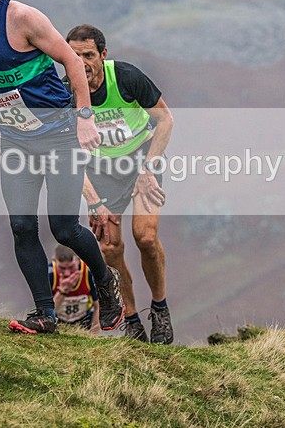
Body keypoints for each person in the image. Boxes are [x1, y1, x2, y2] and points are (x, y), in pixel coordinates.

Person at [0, 0, 123, 335]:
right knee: (22, 226)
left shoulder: (22, 18)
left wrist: (84, 117)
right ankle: (45, 314)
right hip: (14, 140)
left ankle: (105, 281)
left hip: (60, 134)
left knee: (64, 228)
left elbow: (72, 62)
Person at [65, 24, 175, 344]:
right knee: (109, 246)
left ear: (103, 54)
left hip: (143, 160)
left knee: (146, 236)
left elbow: (165, 120)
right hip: (101, 170)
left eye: (88, 55)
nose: (82, 63)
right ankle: (131, 318)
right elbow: (70, 156)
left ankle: (160, 308)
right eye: (73, 57)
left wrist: (148, 167)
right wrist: (93, 201)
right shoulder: (65, 94)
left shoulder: (126, 77)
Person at [49, 245, 100, 333]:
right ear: (54, 261)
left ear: (78, 259)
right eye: (62, 268)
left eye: (71, 267)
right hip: (58, 323)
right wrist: (62, 291)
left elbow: (98, 305)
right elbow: (48, 313)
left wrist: (93, 334)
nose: (67, 273)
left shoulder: (88, 272)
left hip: (85, 321)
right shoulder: (49, 274)